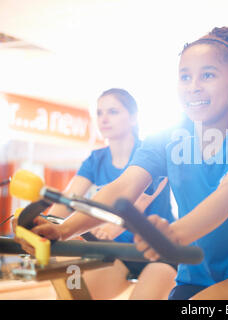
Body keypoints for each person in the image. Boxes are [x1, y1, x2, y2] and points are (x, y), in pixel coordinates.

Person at [17, 27, 228, 300]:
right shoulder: (167, 138)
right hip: (195, 275)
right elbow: (123, 186)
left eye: (207, 75)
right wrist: (63, 229)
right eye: (185, 77)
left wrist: (174, 234)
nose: (193, 86)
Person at [42, 88, 177, 300]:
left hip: (158, 249)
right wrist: (46, 223)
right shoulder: (96, 159)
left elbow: (139, 201)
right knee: (75, 297)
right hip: (118, 252)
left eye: (113, 112)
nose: (104, 119)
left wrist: (107, 228)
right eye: (99, 113)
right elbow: (68, 199)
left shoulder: (152, 151)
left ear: (133, 118)